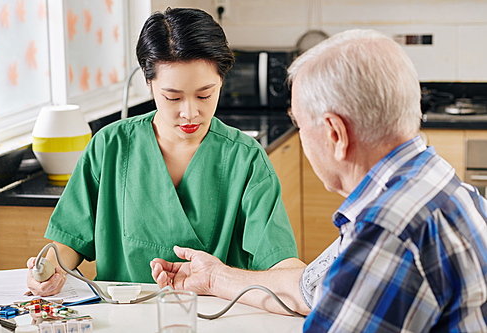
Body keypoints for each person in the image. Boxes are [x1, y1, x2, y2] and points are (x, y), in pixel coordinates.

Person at [151, 29, 487, 332]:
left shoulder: (386, 231)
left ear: (335, 133)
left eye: (299, 124)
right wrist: (214, 277)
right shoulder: (441, 185)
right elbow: (315, 285)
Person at [26, 7, 301, 297]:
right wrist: (49, 269)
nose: (190, 112)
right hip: (123, 320)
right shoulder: (110, 147)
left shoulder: (246, 159)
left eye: (205, 95)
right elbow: (68, 242)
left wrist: (303, 283)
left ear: (221, 80)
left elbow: (278, 259)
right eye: (173, 97)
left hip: (218, 320)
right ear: (149, 84)